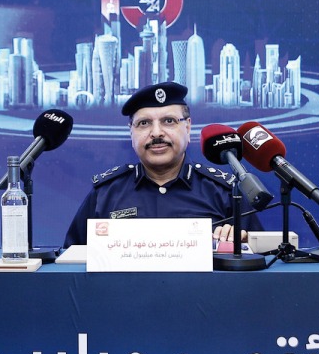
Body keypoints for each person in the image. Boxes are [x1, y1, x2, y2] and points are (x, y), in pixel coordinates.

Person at [62, 82, 264, 248]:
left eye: (168, 121)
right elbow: (71, 261)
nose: (156, 133)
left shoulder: (225, 193)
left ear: (188, 126)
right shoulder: (105, 194)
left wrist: (241, 244)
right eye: (144, 123)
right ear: (130, 131)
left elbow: (262, 259)